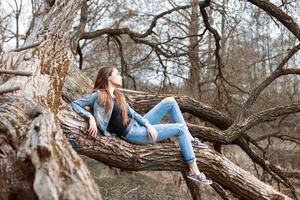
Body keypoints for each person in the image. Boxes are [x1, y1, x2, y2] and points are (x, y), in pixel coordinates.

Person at [69, 66, 212, 185]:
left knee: (170, 101)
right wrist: (90, 117)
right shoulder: (99, 95)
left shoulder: (118, 96)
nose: (121, 76)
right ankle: (194, 171)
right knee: (180, 128)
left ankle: (191, 141)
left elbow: (133, 113)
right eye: (117, 74)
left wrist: (147, 124)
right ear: (108, 77)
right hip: (133, 133)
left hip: (139, 125)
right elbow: (74, 104)